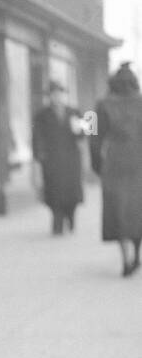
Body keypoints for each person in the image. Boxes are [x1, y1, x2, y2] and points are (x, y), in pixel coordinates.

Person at [89, 62, 142, 277]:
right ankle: (137, 255)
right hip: (139, 161)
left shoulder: (101, 104)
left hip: (115, 162)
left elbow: (92, 136)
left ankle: (125, 257)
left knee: (118, 211)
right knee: (138, 210)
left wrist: (96, 165)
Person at [32, 81, 84, 236]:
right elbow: (37, 137)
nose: (57, 97)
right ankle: (57, 223)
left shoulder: (74, 112)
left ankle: (71, 216)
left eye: (59, 94)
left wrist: (81, 127)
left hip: (71, 160)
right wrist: (39, 156)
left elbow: (85, 133)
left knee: (72, 194)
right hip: (52, 161)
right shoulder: (41, 115)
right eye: (54, 94)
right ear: (49, 97)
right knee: (54, 193)